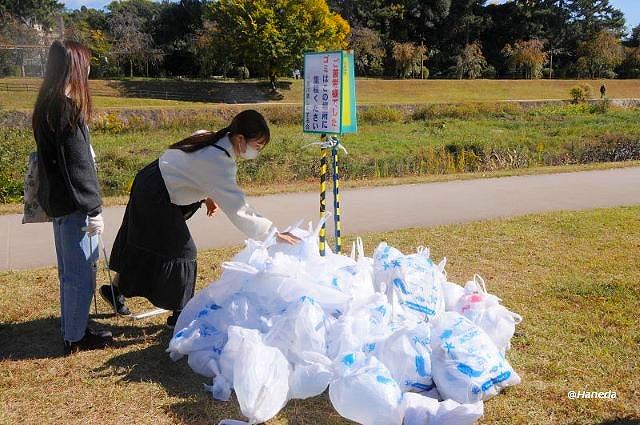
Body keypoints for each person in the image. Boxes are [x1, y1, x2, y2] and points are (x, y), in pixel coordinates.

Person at [103, 110, 300, 327]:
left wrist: (207, 196)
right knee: (184, 252)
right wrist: (272, 233)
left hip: (154, 182)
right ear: (240, 139)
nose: (257, 152)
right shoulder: (219, 160)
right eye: (257, 146)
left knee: (145, 242)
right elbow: (240, 209)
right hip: (157, 193)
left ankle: (115, 291)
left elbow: (192, 168)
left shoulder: (211, 136)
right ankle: (180, 316)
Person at [32, 40, 112, 354]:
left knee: (70, 272)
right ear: (74, 66)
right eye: (86, 63)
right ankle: (76, 337)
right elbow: (79, 167)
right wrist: (94, 209)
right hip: (76, 206)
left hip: (60, 203)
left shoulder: (47, 103)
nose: (89, 69)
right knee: (81, 273)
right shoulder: (65, 108)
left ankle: (73, 327)